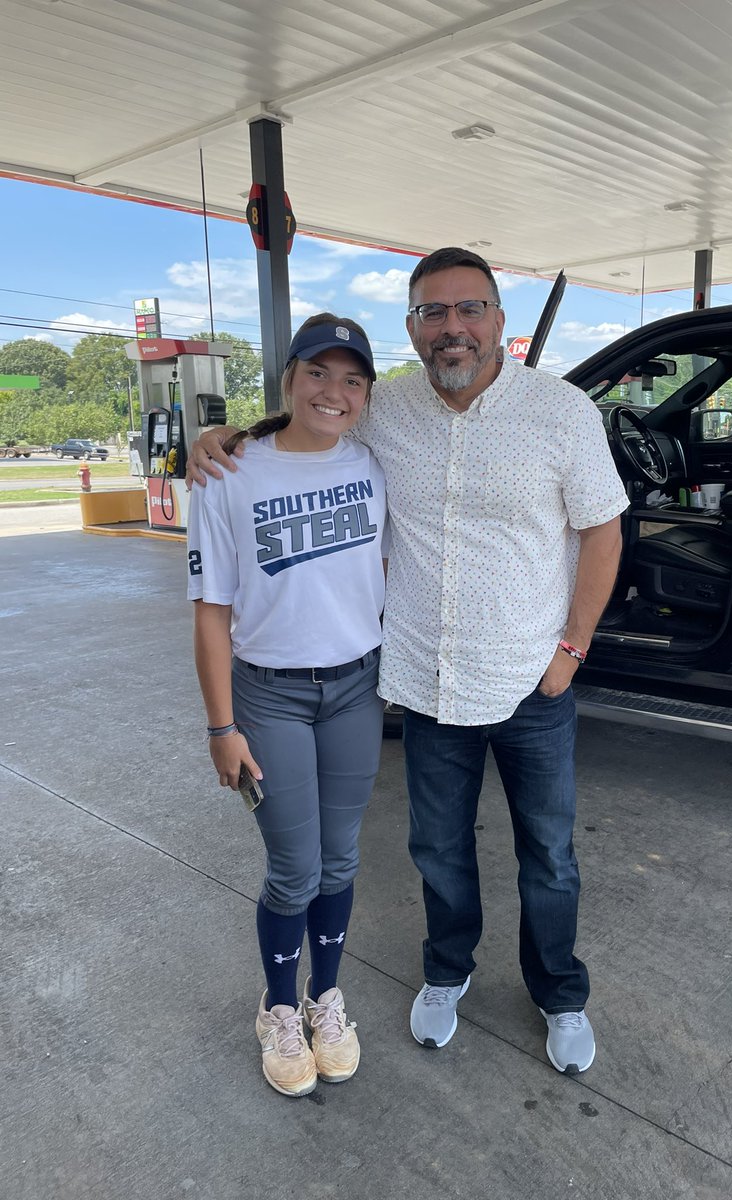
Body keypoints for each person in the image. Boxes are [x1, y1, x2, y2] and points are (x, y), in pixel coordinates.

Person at [188, 248, 628, 1075]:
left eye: (469, 309)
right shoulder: (382, 410)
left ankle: (560, 992)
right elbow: (307, 418)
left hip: (532, 679)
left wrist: (572, 649)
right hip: (425, 681)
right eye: (434, 313)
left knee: (550, 854)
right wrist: (215, 439)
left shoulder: (563, 412)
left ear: (500, 320)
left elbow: (603, 529)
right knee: (437, 848)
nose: (452, 327)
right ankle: (445, 971)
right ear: (414, 329)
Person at [187, 313, 388, 1097]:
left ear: (367, 395)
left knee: (340, 859)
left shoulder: (375, 466)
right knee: (294, 868)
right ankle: (277, 1007)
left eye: (351, 379)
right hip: (268, 695)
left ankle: (324, 1000)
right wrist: (220, 727)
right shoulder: (228, 473)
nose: (332, 392)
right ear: (289, 380)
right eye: (317, 373)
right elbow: (210, 609)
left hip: (355, 688)